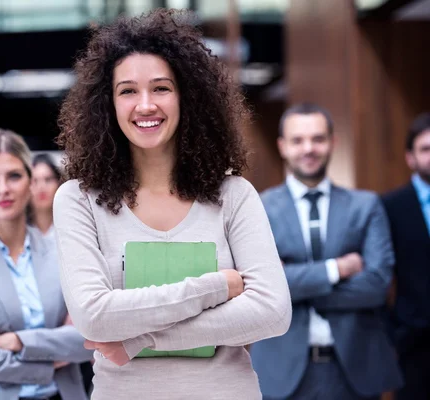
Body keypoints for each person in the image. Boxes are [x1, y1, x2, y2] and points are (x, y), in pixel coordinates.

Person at [53, 9, 291, 400]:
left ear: (187, 96)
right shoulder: (79, 201)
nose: (145, 105)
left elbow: (273, 312)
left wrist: (135, 338)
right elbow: (94, 316)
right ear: (108, 105)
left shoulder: (234, 195)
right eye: (128, 91)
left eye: (161, 88)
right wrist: (219, 286)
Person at [250, 103, 402, 400]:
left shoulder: (366, 206)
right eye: (298, 140)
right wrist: (338, 270)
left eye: (318, 139)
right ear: (282, 146)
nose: (309, 148)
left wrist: (291, 283)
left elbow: (376, 286)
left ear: (333, 142)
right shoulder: (258, 209)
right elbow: (259, 286)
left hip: (356, 370)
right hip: (282, 372)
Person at [0, 129, 93, 400]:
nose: (3, 189)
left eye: (14, 176)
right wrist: (49, 361)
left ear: (30, 183)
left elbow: (88, 339)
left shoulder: (63, 251)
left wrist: (18, 341)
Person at [30, 153, 96, 395]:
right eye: (34, 180)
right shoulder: (20, 237)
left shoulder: (75, 228)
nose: (41, 187)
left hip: (74, 332)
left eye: (47, 179)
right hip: (35, 333)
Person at [382, 112, 430, 400]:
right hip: (414, 344)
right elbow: (378, 274)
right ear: (410, 158)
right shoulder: (390, 206)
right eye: (425, 149)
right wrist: (395, 332)